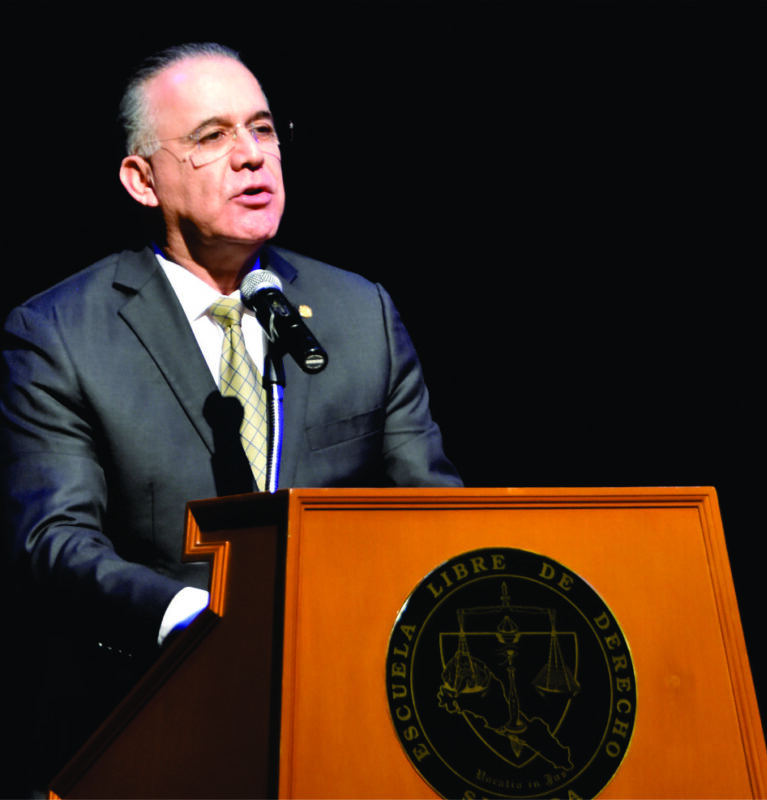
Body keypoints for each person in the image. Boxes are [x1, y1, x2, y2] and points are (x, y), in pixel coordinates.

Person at [0, 42, 461, 794]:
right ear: (142, 179)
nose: (251, 155)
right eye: (211, 136)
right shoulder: (60, 334)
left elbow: (434, 518)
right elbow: (52, 542)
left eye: (263, 129)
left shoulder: (361, 315)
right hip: (147, 728)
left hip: (346, 725)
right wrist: (201, 620)